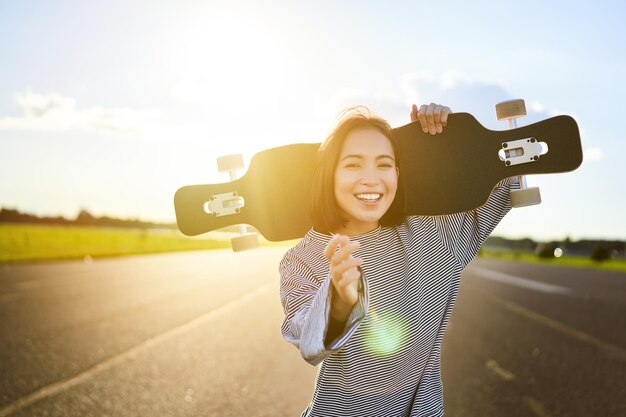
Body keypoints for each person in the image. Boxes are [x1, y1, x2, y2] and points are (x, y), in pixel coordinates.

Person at [279, 103, 519, 417]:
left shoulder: (433, 235)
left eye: (384, 164)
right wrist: (338, 299)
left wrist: (441, 144)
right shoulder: (302, 259)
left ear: (397, 173)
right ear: (329, 173)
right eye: (353, 165)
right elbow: (306, 340)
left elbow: (502, 180)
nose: (370, 179)